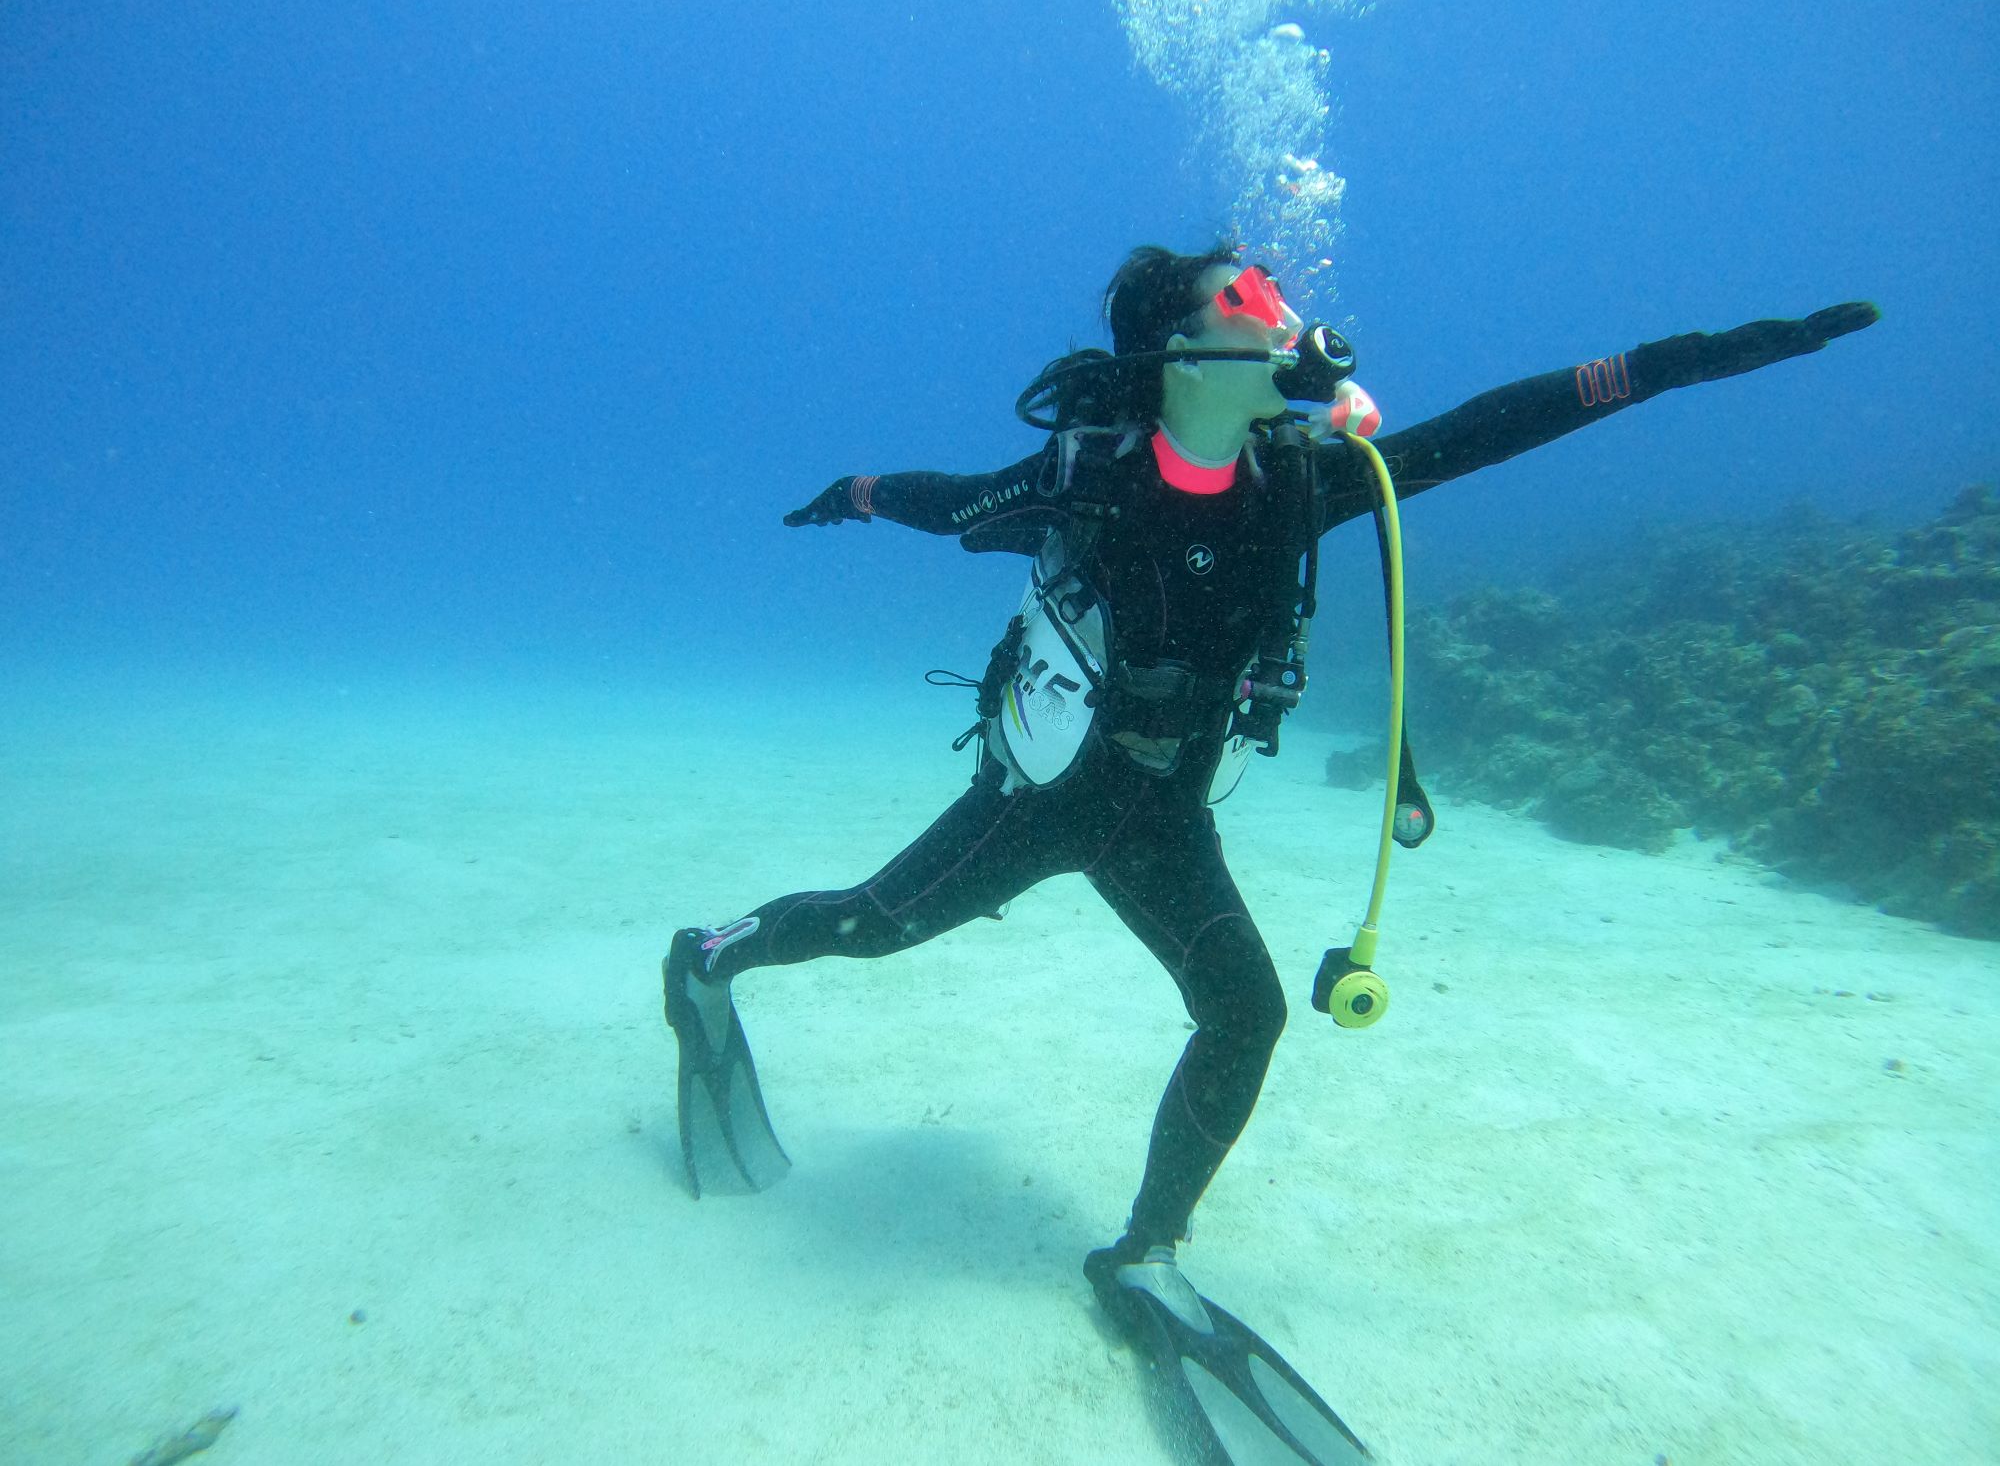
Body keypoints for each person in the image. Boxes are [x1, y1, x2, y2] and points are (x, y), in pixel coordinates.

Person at [660, 243, 1876, 1459]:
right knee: (876, 924)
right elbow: (951, 500)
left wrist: (1676, 365)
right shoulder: (1083, 481)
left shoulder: (1305, 481)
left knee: (1243, 1009)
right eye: (1249, 303)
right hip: (1038, 801)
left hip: (1164, 816)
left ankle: (1145, 1250)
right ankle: (707, 956)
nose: (1287, 320)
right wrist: (859, 489)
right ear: (1179, 354)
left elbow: (1493, 427)